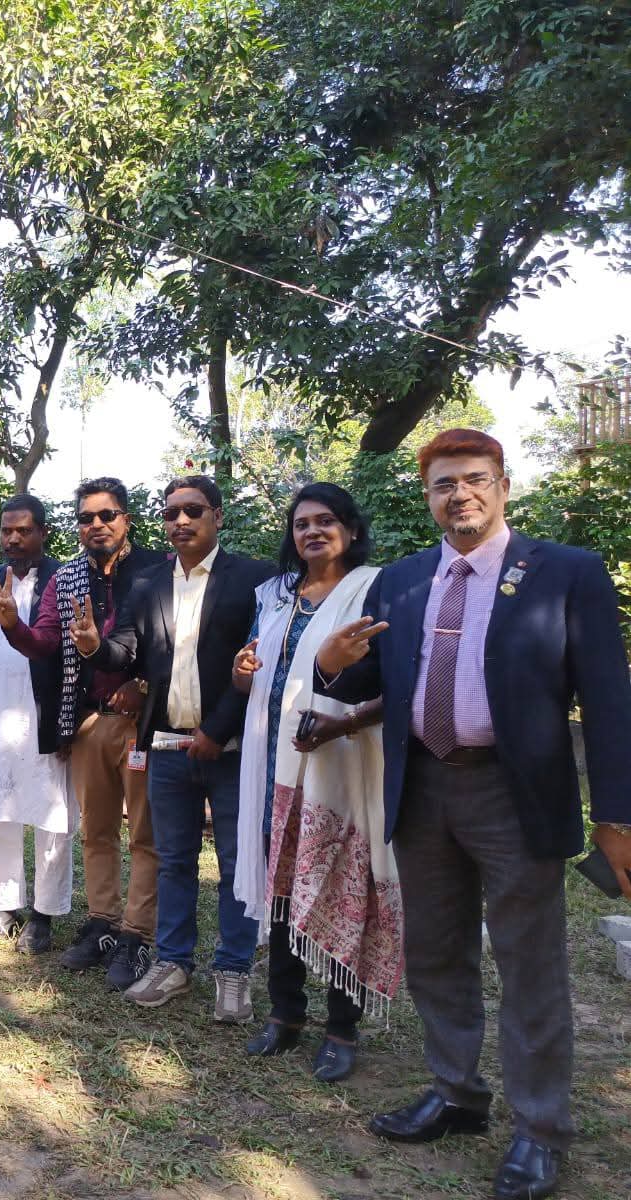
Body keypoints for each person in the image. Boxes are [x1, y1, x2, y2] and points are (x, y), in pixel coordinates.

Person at [315, 429, 631, 1200]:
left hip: (512, 794)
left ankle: (540, 1129)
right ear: (427, 496)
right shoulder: (402, 580)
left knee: (529, 965)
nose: (458, 494)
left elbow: (608, 701)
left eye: (474, 479)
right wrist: (329, 664)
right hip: (421, 787)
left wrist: (616, 817)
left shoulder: (566, 572)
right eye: (443, 483)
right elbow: (370, 678)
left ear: (502, 485)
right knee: (433, 953)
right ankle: (456, 1093)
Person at [81, 475, 274, 1020]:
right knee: (173, 862)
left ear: (217, 515)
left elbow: (260, 661)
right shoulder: (149, 583)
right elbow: (128, 652)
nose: (181, 521)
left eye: (193, 511)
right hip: (166, 746)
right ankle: (173, 963)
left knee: (236, 862)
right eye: (171, 514)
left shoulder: (255, 580)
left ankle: (233, 972)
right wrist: (96, 646)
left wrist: (217, 730)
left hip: (231, 749)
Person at [229, 483, 396, 1085]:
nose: (312, 532)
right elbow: (255, 679)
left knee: (340, 885)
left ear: (350, 529)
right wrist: (241, 672)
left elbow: (395, 679)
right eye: (301, 524)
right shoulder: (278, 596)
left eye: (326, 521)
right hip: (274, 763)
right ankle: (285, 1014)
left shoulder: (373, 588)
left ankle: (342, 1028)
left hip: (341, 761)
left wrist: (343, 722)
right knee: (281, 884)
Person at [0, 478, 167, 989]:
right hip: (91, 721)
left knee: (145, 834)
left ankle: (138, 935)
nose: (96, 525)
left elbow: (179, 642)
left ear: (126, 519)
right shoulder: (68, 576)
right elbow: (46, 641)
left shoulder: (160, 570)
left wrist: (143, 684)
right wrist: (12, 626)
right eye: (86, 518)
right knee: (97, 830)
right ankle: (103, 924)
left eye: (106, 515)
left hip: (146, 724)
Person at [0, 495, 71, 954]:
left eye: (24, 531)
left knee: (52, 816)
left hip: (42, 716)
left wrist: (69, 721)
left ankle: (43, 916)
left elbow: (66, 654)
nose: (13, 539)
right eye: (6, 531)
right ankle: (4, 907)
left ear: (43, 533)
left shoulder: (62, 580)